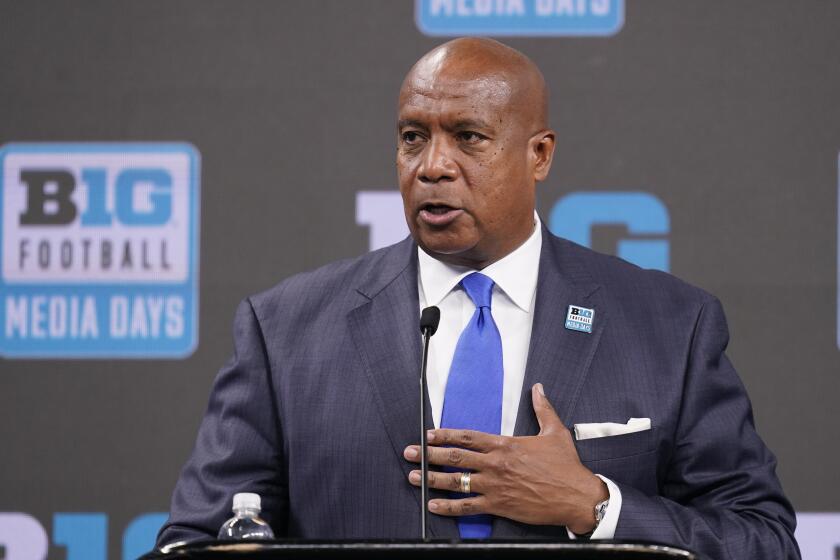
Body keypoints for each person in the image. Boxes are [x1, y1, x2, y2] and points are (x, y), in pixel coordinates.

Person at [157, 38, 800, 557]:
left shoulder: (670, 326)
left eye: (468, 137)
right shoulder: (285, 331)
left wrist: (594, 505)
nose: (432, 166)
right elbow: (193, 542)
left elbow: (763, 542)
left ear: (539, 155)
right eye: (413, 137)